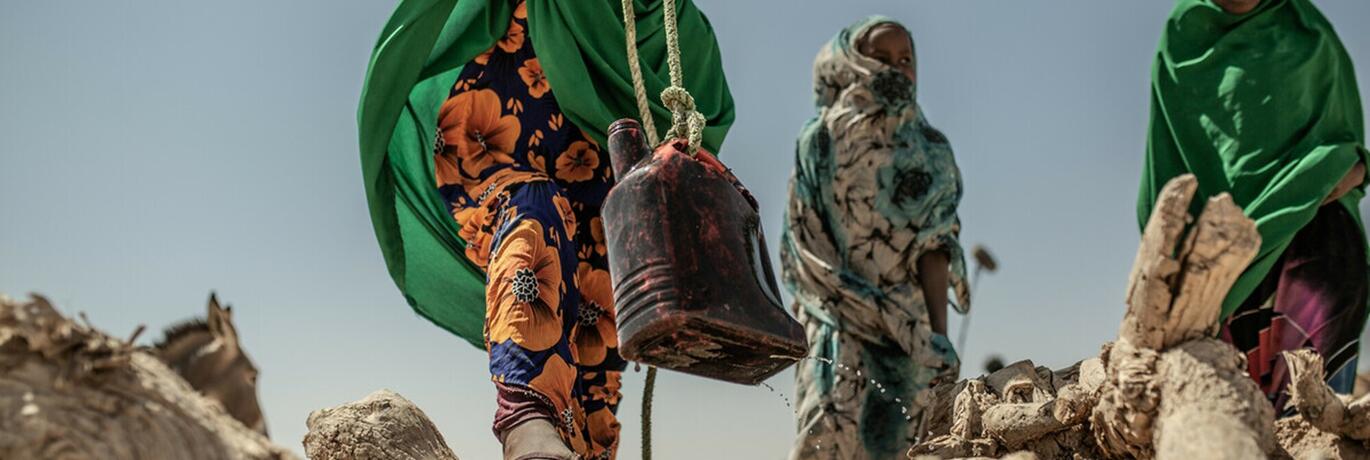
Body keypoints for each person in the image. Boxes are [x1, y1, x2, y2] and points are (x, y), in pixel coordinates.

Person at [356, 1, 734, 458]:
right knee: (533, 211)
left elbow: (700, 128)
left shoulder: (688, 38)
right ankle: (524, 420)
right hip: (498, 150)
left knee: (595, 361)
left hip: (606, 205)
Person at [1138, 0, 1370, 413]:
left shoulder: (1309, 33)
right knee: (1227, 425)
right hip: (1218, 273)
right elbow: (1166, 159)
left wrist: (1351, 168)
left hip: (1316, 257)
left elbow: (1347, 140)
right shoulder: (1183, 35)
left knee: (1314, 428)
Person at [781, 16, 969, 459]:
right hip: (835, 314)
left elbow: (935, 244)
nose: (895, 69)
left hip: (909, 331)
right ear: (850, 64)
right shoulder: (820, 140)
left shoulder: (929, 148)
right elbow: (805, 239)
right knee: (826, 431)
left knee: (908, 443)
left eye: (905, 60)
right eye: (880, 58)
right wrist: (848, 300)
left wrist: (937, 338)